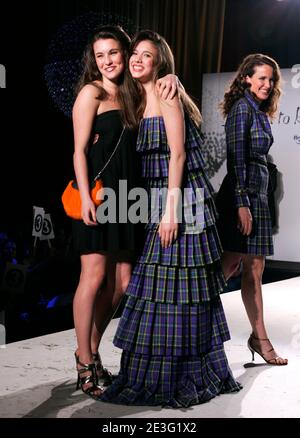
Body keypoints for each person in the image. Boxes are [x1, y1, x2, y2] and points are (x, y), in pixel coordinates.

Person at [100, 30, 241, 407]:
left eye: (147, 55)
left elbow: (177, 156)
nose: (137, 59)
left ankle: (184, 374)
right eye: (135, 54)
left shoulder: (166, 94)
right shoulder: (136, 98)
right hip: (156, 203)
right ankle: (151, 372)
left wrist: (170, 212)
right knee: (158, 289)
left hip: (180, 202)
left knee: (182, 289)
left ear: (160, 61)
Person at [70, 25, 178, 399]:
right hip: (98, 198)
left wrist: (173, 78)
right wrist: (85, 197)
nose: (107, 61)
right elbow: (78, 151)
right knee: (93, 276)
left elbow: (159, 82)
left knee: (122, 283)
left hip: (129, 197)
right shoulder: (91, 93)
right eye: (100, 55)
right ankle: (84, 361)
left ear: (124, 52)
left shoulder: (133, 93)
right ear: (93, 60)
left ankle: (93, 350)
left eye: (113, 52)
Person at [216, 54, 288, 365]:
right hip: (240, 198)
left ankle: (260, 338)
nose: (267, 84)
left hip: (257, 198)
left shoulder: (258, 111)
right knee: (228, 267)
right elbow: (236, 160)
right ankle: (190, 321)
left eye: (271, 80)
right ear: (246, 78)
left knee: (254, 270)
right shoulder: (240, 109)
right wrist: (242, 204)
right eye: (261, 78)